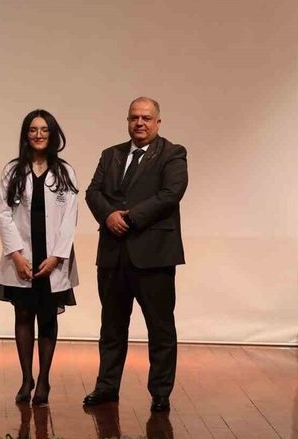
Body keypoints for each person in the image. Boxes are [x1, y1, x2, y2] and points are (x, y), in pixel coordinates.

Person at [82, 97, 188, 413]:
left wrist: (128, 218)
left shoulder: (172, 153)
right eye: (134, 117)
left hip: (154, 256)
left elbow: (170, 194)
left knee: (160, 329)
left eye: (146, 118)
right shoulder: (111, 154)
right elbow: (92, 192)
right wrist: (108, 215)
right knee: (112, 327)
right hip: (113, 255)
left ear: (158, 122)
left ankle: (160, 393)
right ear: (127, 121)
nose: (139, 123)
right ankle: (106, 387)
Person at [0, 110, 79, 406]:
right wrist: (16, 255)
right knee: (22, 316)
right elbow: (4, 214)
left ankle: (43, 380)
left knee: (47, 318)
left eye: (44, 129)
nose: (38, 135)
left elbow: (70, 217)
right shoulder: (12, 170)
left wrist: (57, 257)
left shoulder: (65, 172)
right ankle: (26, 379)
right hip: (22, 257)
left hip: (52, 258)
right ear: (26, 134)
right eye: (33, 129)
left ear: (53, 134)